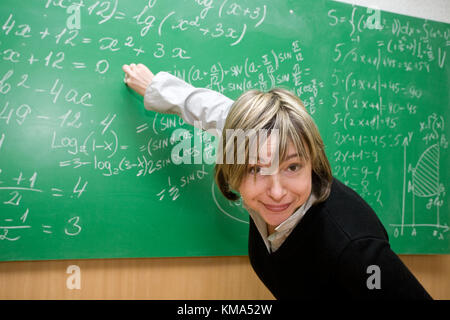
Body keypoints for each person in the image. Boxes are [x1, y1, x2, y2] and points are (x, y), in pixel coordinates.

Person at [122, 63, 432, 300]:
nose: (277, 192)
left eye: (293, 166)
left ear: (313, 159)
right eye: (256, 169)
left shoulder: (355, 251)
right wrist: (157, 88)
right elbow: (215, 111)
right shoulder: (256, 135)